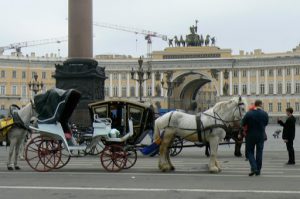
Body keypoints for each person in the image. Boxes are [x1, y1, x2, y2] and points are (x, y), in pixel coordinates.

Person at [241, 100, 268, 176]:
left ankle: (254, 167)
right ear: (260, 105)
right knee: (259, 152)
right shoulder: (265, 113)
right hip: (260, 136)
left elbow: (243, 123)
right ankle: (258, 170)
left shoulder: (249, 113)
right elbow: (266, 123)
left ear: (255, 105)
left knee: (250, 152)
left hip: (250, 136)